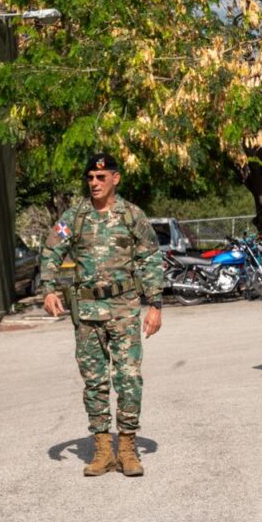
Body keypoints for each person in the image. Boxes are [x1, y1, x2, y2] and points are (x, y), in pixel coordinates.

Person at [40, 153, 163, 477]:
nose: (94, 183)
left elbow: (151, 258)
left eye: (101, 177)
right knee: (94, 383)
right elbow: (52, 250)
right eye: (90, 178)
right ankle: (103, 451)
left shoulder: (132, 215)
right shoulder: (75, 216)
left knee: (129, 378)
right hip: (87, 313)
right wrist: (48, 289)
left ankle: (127, 448)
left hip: (124, 309)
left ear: (115, 178)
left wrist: (155, 305)